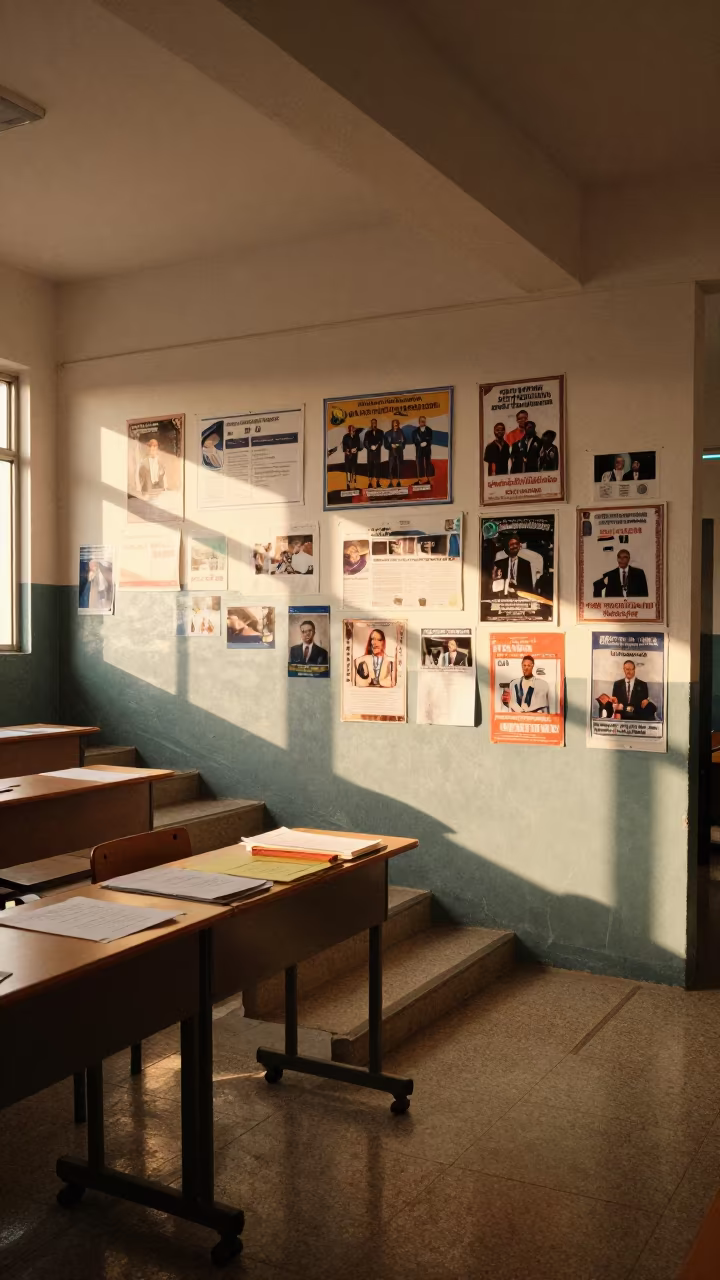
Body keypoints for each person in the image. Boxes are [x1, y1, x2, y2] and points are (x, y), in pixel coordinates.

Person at [364, 417, 384, 488]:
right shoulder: (368, 433)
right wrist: (370, 447)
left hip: (377, 452)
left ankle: (378, 482)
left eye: (375, 423)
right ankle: (370, 483)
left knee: (378, 467)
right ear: (371, 424)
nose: (374, 424)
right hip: (370, 453)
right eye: (372, 423)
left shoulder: (380, 432)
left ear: (376, 423)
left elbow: (381, 442)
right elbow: (365, 443)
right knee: (370, 467)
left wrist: (377, 446)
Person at [385, 418, 406, 487]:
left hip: (399, 452)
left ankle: (398, 481)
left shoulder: (401, 432)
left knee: (399, 467)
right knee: (391, 467)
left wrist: (398, 445)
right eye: (394, 424)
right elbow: (386, 444)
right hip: (392, 453)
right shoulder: (388, 433)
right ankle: (390, 482)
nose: (396, 425)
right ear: (392, 425)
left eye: (397, 424)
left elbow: (403, 442)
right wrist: (391, 445)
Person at [412, 415, 433, 483]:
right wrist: (419, 444)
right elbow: (414, 441)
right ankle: (420, 479)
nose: (422, 422)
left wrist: (426, 443)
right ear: (419, 422)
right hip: (419, 451)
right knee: (419, 464)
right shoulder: (415, 432)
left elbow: (430, 439)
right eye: (421, 421)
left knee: (427, 464)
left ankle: (428, 479)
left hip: (427, 450)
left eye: (424, 421)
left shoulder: (429, 430)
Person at [341, 423, 361, 489]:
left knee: (354, 469)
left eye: (354, 430)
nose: (354, 431)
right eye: (352, 430)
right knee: (348, 470)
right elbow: (344, 447)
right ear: (349, 430)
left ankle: (355, 483)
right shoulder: (345, 437)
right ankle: (348, 483)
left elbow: (359, 445)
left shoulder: (357, 437)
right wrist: (350, 450)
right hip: (348, 456)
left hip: (355, 456)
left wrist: (356, 449)